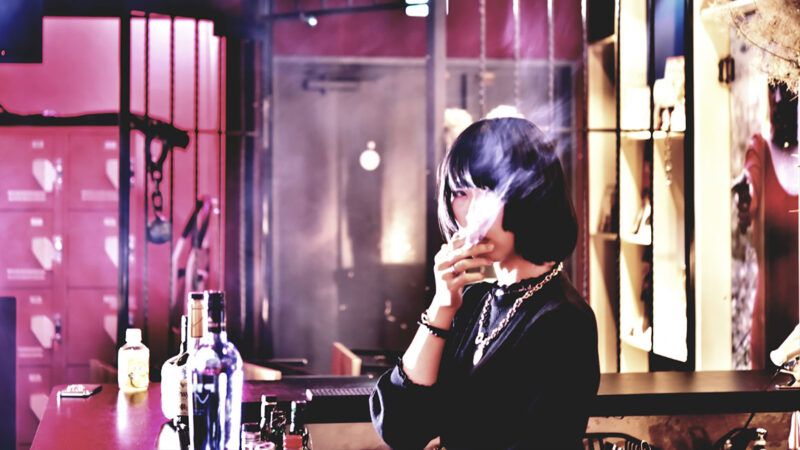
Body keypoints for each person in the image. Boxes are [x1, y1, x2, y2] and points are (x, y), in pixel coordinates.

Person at [370, 117, 600, 449]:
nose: (474, 212)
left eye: (490, 191)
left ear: (534, 194)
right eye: (461, 193)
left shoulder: (565, 320)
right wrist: (441, 306)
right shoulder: (475, 301)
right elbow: (399, 427)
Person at [733, 82, 799, 370]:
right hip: (770, 318)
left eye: (785, 92)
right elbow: (750, 195)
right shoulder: (759, 150)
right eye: (773, 91)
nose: (777, 100)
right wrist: (745, 199)